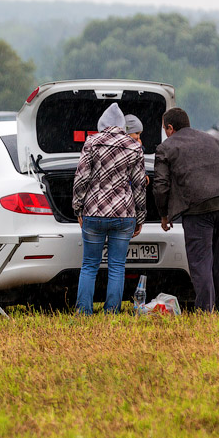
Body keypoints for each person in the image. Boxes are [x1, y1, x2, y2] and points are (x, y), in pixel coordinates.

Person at [153, 107, 219, 313]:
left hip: (198, 207)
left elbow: (160, 186)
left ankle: (205, 311)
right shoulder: (213, 140)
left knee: (200, 261)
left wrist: (164, 214)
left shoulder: (166, 147)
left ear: (170, 128)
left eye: (165, 129)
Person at [72, 103, 146, 314]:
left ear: (102, 124)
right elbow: (140, 184)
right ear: (123, 125)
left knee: (89, 266)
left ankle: (83, 311)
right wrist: (140, 217)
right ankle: (112, 311)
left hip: (94, 213)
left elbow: (81, 178)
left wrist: (78, 208)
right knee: (117, 266)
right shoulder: (134, 147)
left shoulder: (92, 143)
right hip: (124, 214)